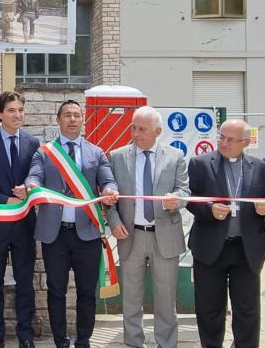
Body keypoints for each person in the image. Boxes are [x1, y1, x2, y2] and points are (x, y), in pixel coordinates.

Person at [25, 100, 119, 348]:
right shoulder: (44, 152)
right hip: (55, 236)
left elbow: (108, 181)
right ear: (59, 120)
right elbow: (34, 175)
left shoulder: (95, 152)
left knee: (87, 293)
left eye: (77, 115)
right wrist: (32, 185)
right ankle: (60, 341)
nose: (72, 119)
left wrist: (110, 190)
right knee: (56, 291)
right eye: (67, 115)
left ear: (83, 119)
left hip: (86, 233)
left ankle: (84, 340)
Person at [186, 119, 265, 348]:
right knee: (209, 308)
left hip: (246, 250)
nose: (224, 143)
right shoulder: (200, 163)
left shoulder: (262, 168)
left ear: (245, 142)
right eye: (221, 137)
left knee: (247, 309)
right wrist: (208, 209)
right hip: (210, 247)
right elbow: (190, 200)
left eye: (231, 139)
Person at [107, 106, 189, 348]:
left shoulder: (175, 157)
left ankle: (166, 343)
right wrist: (114, 222)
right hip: (130, 235)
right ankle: (133, 342)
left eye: (142, 129)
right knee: (131, 296)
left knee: (165, 297)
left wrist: (178, 200)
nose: (135, 133)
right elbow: (109, 198)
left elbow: (185, 190)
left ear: (158, 131)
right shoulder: (117, 156)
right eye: (133, 127)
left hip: (165, 236)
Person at [0, 92, 40, 348]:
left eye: (21, 110)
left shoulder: (33, 143)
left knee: (26, 282)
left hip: (25, 223)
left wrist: (30, 189)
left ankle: (26, 335)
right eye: (12, 110)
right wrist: (5, 200)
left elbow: (38, 175)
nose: (17, 115)